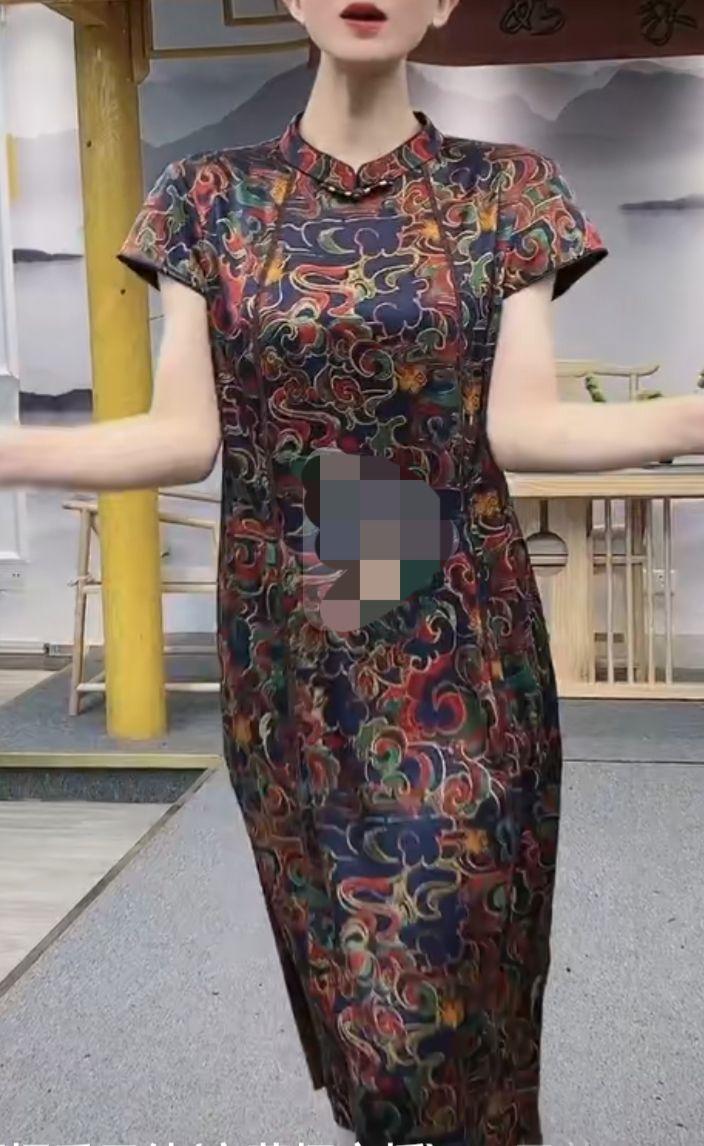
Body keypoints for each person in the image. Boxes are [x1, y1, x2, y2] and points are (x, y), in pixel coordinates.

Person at [2, 1, 704, 1142]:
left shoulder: (506, 189)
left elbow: (524, 428)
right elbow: (181, 438)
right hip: (293, 654)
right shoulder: (207, 198)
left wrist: (693, 416)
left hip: (463, 638)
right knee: (363, 1005)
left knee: (453, 972)